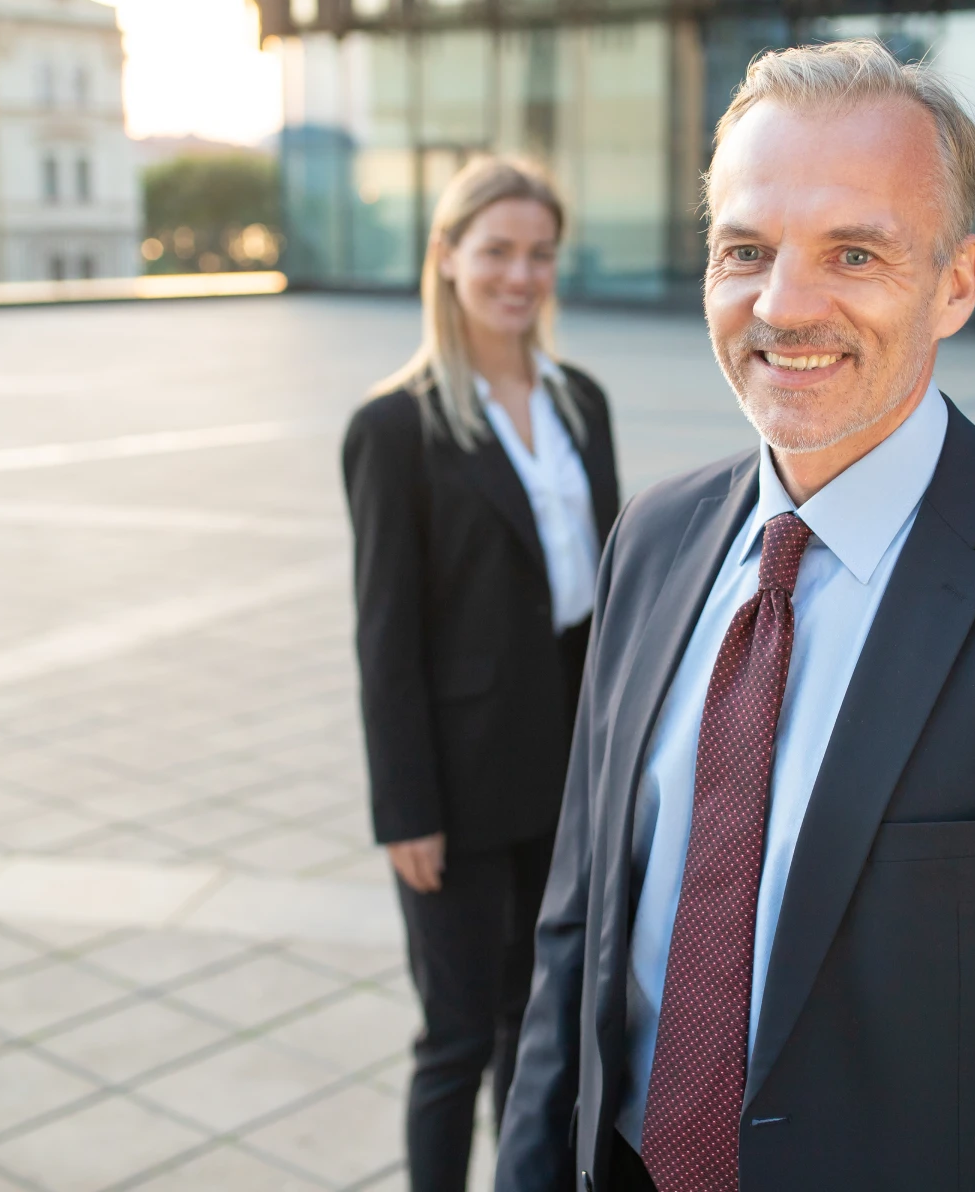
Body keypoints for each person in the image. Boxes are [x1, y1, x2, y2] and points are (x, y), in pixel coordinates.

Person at [497, 39, 975, 1192]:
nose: (784, 304)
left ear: (955, 282)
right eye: (745, 249)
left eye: (854, 252)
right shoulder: (651, 540)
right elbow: (576, 945)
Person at [343, 155, 620, 1192]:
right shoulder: (395, 428)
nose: (520, 274)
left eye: (540, 253)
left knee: (538, 1026)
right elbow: (386, 639)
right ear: (447, 257)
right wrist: (404, 805)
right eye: (497, 250)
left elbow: (611, 595)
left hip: (566, 773)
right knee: (456, 1036)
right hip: (453, 791)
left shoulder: (580, 401)